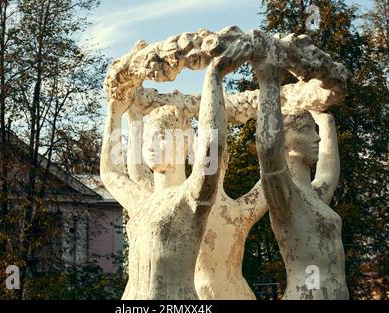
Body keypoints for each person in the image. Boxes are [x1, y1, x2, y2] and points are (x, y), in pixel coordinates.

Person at [100, 45, 245, 299]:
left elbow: (210, 156)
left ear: (184, 143)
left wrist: (213, 79)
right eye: (148, 140)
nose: (152, 147)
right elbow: (110, 172)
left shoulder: (189, 199)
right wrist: (114, 112)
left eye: (162, 138)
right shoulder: (143, 201)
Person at [254, 52, 349, 299]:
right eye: (307, 131)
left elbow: (329, 169)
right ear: (285, 140)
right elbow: (268, 150)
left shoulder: (314, 196)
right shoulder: (285, 196)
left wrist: (324, 119)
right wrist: (269, 85)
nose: (316, 138)